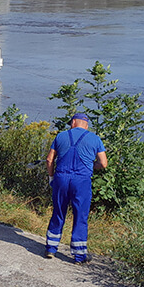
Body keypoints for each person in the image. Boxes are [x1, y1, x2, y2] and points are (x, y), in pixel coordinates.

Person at [45, 112, 107, 263]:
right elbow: (103, 163)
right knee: (80, 216)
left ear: (73, 122)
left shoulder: (60, 136)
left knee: (58, 212)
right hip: (81, 181)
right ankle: (79, 255)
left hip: (61, 178)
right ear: (86, 124)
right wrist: (92, 166)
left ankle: (51, 249)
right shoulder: (95, 139)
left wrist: (51, 177)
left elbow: (49, 160)